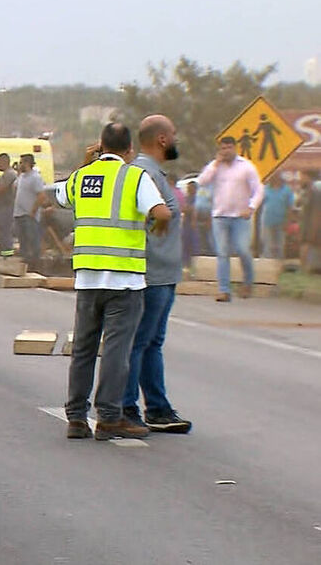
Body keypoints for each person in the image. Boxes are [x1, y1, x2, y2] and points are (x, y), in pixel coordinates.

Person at [57, 123, 171, 441]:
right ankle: (108, 417)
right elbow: (162, 212)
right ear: (130, 150)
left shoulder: (83, 176)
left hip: (88, 277)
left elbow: (63, 198)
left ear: (100, 146)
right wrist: (157, 223)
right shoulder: (135, 176)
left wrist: (85, 163)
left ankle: (76, 418)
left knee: (83, 348)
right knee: (116, 351)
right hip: (125, 281)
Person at [123, 115, 192, 434]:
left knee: (150, 342)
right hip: (151, 274)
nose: (176, 140)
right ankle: (126, 407)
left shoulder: (151, 173)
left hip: (163, 273)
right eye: (173, 134)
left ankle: (157, 407)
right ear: (162, 139)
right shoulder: (144, 174)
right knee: (139, 342)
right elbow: (147, 222)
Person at [197, 136, 263, 301]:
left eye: (228, 148)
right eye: (222, 148)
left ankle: (247, 283)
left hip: (240, 217)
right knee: (222, 252)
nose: (226, 151)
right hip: (220, 216)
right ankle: (224, 290)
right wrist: (215, 164)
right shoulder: (215, 166)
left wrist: (251, 207)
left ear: (235, 148)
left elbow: (259, 189)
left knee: (242, 250)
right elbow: (202, 181)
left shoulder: (246, 167)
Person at [13, 154, 47, 269]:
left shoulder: (35, 177)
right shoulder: (22, 176)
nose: (19, 165)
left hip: (29, 215)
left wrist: (33, 210)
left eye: (21, 162)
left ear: (27, 163)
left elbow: (41, 195)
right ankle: (25, 263)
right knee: (22, 239)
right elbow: (15, 187)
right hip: (19, 213)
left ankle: (35, 264)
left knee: (32, 239)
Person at [261, 173, 295, 260]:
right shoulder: (266, 189)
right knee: (268, 244)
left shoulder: (287, 190)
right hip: (268, 220)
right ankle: (267, 264)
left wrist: (288, 222)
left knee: (280, 244)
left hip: (282, 221)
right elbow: (260, 204)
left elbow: (290, 207)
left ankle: (279, 264)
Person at [0, 152, 18, 256]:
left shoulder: (10, 174)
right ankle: (5, 250)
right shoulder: (6, 174)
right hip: (2, 206)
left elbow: (0, 189)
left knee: (5, 229)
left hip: (6, 206)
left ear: (4, 162)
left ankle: (7, 252)